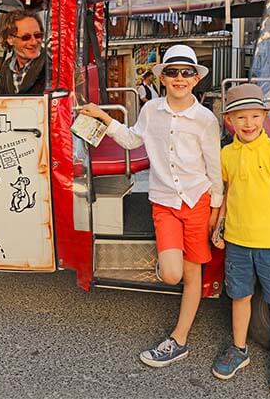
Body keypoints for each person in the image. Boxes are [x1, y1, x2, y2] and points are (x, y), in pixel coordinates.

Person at [80, 44, 223, 368]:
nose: (180, 78)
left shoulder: (205, 119)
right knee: (172, 275)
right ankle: (167, 258)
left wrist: (216, 207)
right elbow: (132, 139)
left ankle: (179, 339)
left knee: (193, 273)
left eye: (187, 72)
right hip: (163, 202)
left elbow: (214, 166)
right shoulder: (151, 111)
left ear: (195, 79)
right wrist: (104, 116)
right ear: (163, 78)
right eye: (172, 72)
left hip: (197, 199)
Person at [211, 84, 270, 393]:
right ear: (229, 121)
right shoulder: (226, 154)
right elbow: (226, 193)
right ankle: (239, 348)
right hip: (237, 241)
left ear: (264, 116)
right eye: (240, 117)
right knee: (240, 296)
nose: (248, 124)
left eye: (254, 116)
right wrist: (218, 225)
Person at [0, 10, 46, 95]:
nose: (34, 42)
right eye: (26, 37)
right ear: (10, 39)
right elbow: (2, 103)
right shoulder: (6, 68)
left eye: (38, 35)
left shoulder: (53, 66)